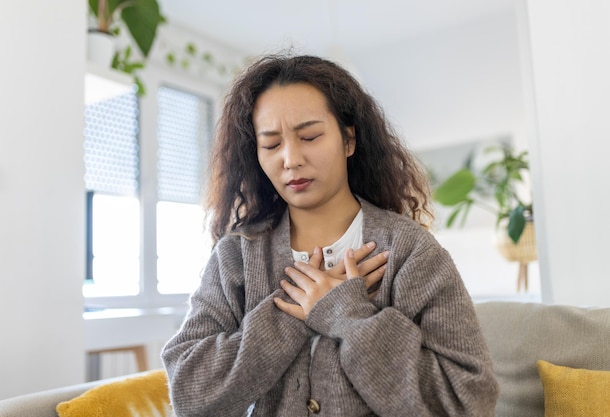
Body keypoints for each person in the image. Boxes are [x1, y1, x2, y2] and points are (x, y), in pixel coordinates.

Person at [161, 53, 499, 416]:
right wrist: (295, 313)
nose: (290, 159)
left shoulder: (409, 251)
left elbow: (468, 401)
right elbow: (189, 394)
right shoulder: (237, 255)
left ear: (349, 140)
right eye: (272, 145)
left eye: (309, 136)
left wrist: (348, 314)